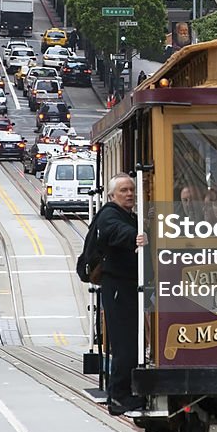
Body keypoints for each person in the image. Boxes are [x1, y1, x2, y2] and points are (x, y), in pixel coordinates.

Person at [95, 174, 147, 416]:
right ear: (112, 195)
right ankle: (118, 396)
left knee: (133, 339)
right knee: (124, 341)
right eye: (124, 190)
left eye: (132, 190)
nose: (129, 194)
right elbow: (115, 231)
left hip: (127, 285)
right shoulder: (109, 215)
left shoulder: (129, 215)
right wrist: (134, 238)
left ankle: (129, 392)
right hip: (117, 286)